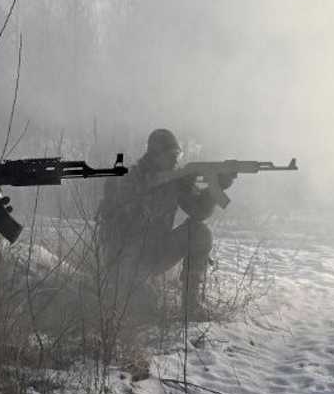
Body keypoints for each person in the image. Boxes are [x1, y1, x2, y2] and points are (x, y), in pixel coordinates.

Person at [96, 128, 235, 315]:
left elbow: (199, 212)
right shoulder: (126, 179)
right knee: (145, 307)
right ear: (154, 155)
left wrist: (214, 187)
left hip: (155, 253)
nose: (175, 160)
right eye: (171, 155)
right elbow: (118, 219)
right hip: (124, 261)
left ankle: (191, 307)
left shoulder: (173, 180)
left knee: (200, 234)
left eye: (178, 155)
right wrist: (158, 188)